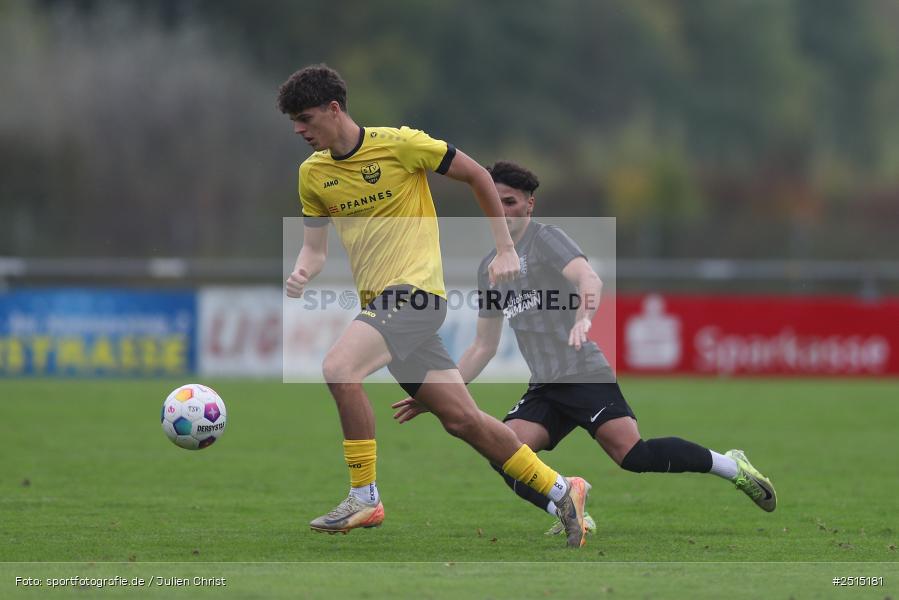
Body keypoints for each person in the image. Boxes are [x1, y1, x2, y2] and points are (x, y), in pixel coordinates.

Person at [278, 65, 590, 547]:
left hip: (416, 296)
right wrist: (303, 270)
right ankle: (559, 488)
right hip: (384, 305)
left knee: (340, 368)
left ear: (333, 109)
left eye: (304, 118)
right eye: (293, 122)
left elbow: (478, 175)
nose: (298, 129)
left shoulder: (400, 144)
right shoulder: (313, 174)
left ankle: (364, 495)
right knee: (463, 420)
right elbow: (315, 249)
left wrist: (505, 247)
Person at [392, 160, 777, 535]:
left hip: (583, 372)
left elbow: (588, 278)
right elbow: (482, 345)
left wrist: (583, 317)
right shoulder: (489, 268)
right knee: (502, 450)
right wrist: (445, 394)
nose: (503, 210)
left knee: (633, 456)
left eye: (511, 201)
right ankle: (569, 509)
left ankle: (731, 466)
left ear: (530, 204)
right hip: (544, 386)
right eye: (495, 200)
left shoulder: (546, 239)